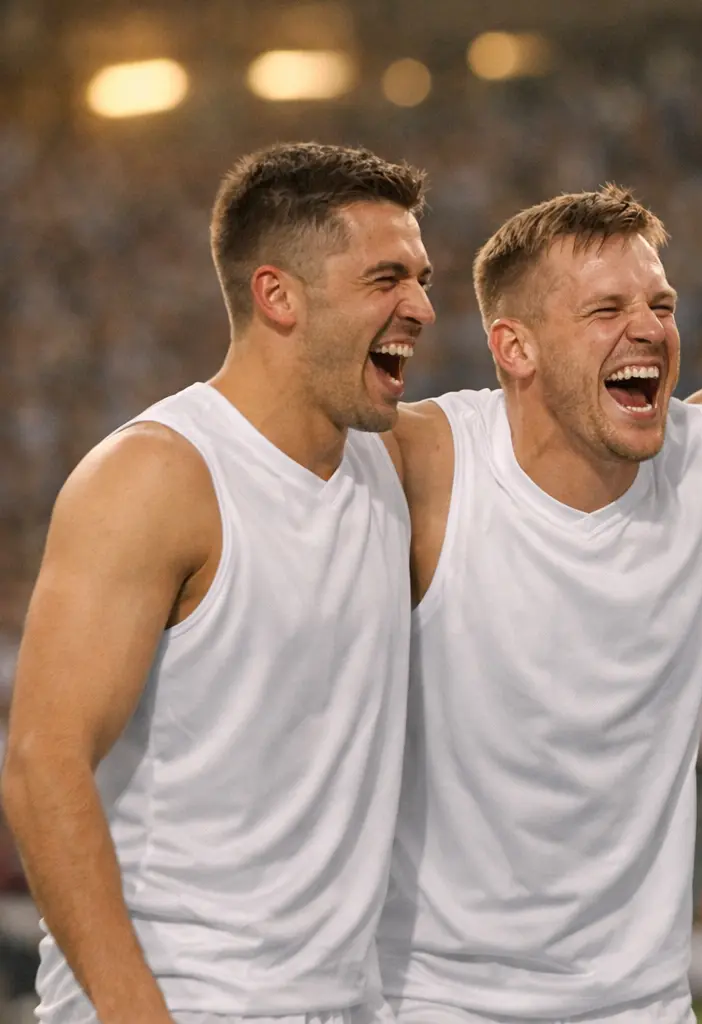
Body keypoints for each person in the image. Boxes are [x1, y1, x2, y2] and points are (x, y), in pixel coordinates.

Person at [1, 142, 433, 1024]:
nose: (421, 307)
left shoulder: (391, 464)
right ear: (278, 295)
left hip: (344, 1003)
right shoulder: (157, 475)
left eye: (422, 278)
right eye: (386, 279)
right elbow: (43, 764)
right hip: (178, 999)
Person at [376, 185, 702, 1023]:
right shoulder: (424, 466)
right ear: (513, 346)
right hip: (436, 999)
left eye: (659, 303)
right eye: (606, 308)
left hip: (643, 1003)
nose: (650, 327)